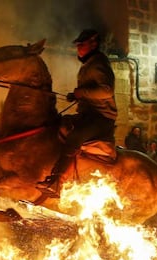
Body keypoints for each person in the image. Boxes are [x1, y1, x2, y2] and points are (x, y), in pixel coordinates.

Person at [37, 29, 117, 197]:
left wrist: (82, 93)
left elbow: (106, 91)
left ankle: (57, 181)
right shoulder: (89, 64)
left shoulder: (98, 64)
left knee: (75, 136)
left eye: (82, 44)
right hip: (89, 114)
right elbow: (88, 92)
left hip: (101, 117)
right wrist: (77, 95)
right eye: (78, 45)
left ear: (93, 44)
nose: (78, 48)